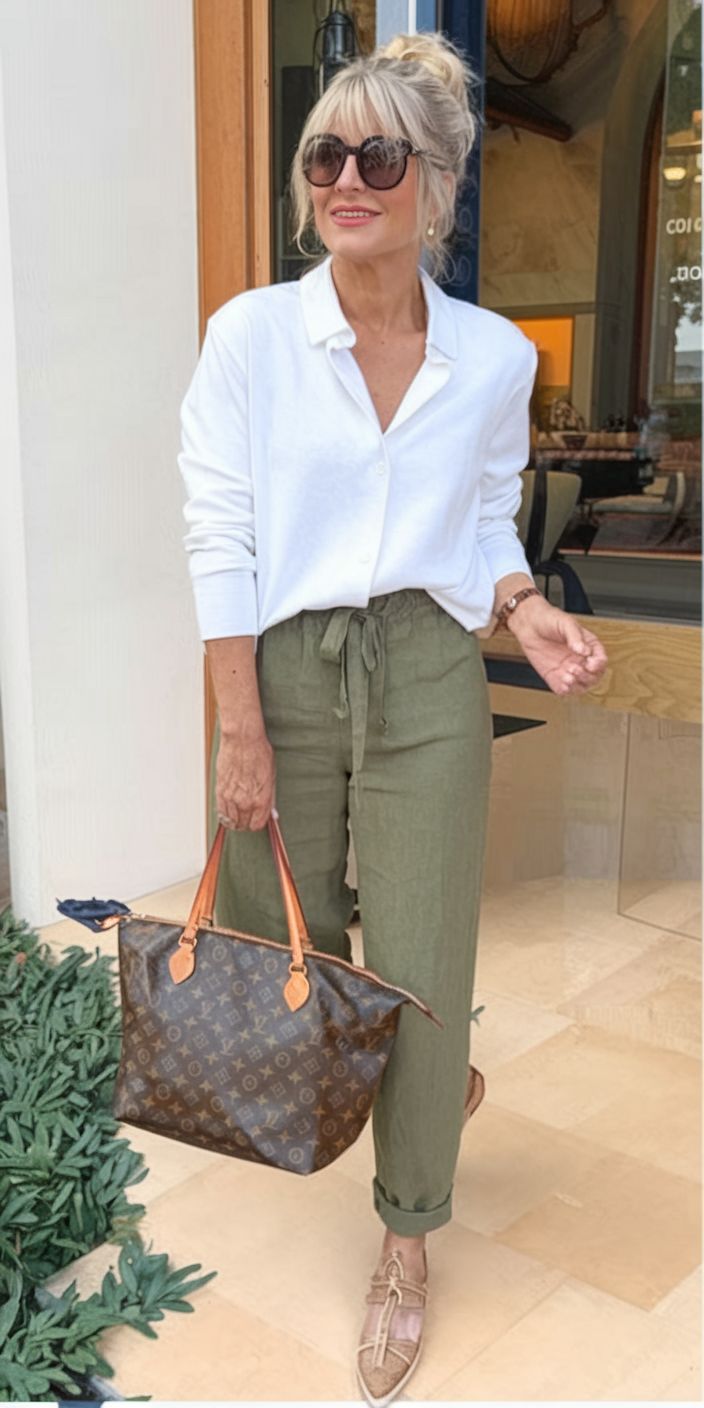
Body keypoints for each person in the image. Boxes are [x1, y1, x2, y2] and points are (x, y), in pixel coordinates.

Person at [177, 28, 608, 1407]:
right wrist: (239, 727)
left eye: (379, 156)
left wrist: (523, 607)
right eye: (325, 156)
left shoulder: (491, 357)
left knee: (420, 955)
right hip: (284, 668)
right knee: (283, 931)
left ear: (438, 185)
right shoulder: (252, 336)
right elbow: (221, 533)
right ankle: (420, 1087)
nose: (346, 180)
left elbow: (480, 522)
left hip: (426, 666)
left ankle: (408, 1233)